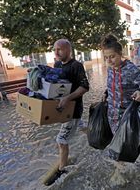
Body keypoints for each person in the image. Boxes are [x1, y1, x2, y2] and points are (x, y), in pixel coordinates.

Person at [43, 39, 89, 186]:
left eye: (60, 49)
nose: (56, 52)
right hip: (62, 111)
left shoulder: (77, 66)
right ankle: (94, 132)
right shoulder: (56, 65)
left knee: (61, 141)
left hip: (73, 110)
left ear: (68, 50)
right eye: (55, 49)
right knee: (80, 126)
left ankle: (62, 170)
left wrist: (68, 98)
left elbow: (85, 87)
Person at [101, 34, 140, 135]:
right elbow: (113, 84)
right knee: (117, 144)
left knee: (126, 146)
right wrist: (106, 93)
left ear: (120, 54)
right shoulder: (110, 69)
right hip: (112, 114)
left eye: (112, 56)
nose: (109, 60)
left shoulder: (130, 69)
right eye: (106, 57)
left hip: (128, 115)